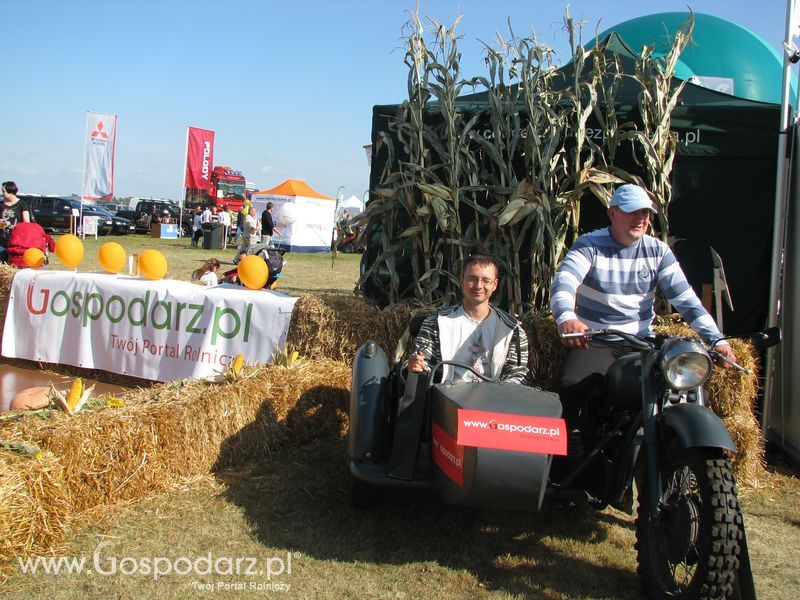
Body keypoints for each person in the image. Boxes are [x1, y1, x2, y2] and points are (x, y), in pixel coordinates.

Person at [550, 183, 736, 425]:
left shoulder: (658, 251)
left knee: (686, 387)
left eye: (646, 213)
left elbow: (686, 300)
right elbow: (564, 283)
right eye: (632, 211)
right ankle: (561, 460)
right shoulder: (589, 245)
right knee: (570, 385)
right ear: (612, 213)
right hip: (596, 341)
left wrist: (716, 339)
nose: (641, 219)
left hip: (641, 343)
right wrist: (566, 317)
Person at [407, 254, 531, 385]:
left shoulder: (511, 330)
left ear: (495, 285)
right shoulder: (436, 322)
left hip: (495, 401)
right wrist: (417, 368)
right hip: (445, 399)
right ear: (462, 281)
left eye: (486, 280)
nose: (478, 286)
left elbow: (518, 375)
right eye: (472, 279)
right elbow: (422, 365)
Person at [0, 182, 31, 261]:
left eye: (4, 191)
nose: (2, 193)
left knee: (13, 264)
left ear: (11, 192)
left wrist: (18, 227)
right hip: (2, 241)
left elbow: (26, 223)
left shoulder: (22, 204)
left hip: (16, 242)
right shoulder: (1, 204)